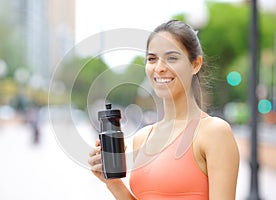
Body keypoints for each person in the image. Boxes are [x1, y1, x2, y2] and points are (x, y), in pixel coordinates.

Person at [88, 19, 240, 200]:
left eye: (172, 58)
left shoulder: (214, 132)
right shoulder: (142, 138)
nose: (159, 68)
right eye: (152, 59)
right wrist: (113, 184)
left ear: (195, 64)